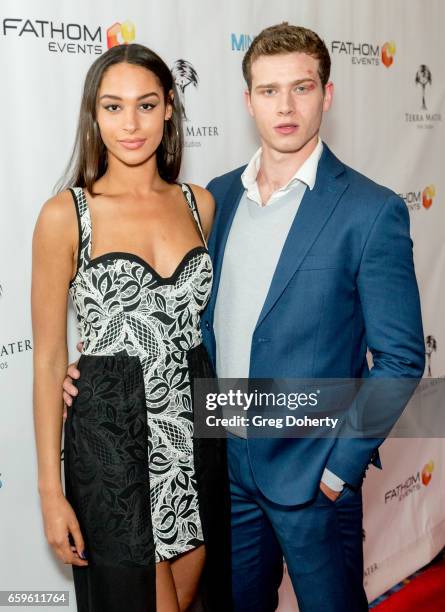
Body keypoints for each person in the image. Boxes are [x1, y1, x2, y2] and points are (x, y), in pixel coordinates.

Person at [63, 24, 425, 612]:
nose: (285, 107)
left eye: (301, 88)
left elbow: (403, 359)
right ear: (247, 99)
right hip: (220, 470)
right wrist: (86, 376)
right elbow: (171, 317)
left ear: (326, 95)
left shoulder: (370, 209)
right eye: (268, 90)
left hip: (314, 476)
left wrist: (339, 470)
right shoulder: (215, 198)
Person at [32, 43, 231, 612]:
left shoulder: (201, 205)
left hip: (196, 434)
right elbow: (48, 359)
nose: (130, 124)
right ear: (93, 116)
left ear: (169, 108)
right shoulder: (66, 215)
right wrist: (50, 491)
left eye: (146, 105)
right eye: (112, 107)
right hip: (111, 441)